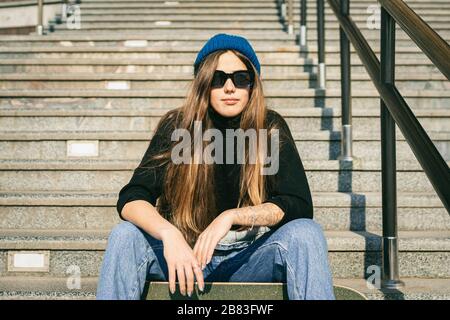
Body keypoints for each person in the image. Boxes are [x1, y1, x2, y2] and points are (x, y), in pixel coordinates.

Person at [96, 33, 335, 300]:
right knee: (125, 235)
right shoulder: (178, 127)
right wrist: (168, 234)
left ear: (252, 86)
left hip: (249, 259)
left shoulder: (269, 128)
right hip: (184, 257)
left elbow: (298, 204)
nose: (230, 87)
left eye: (241, 78)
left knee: (306, 233)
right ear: (204, 84)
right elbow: (131, 198)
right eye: (218, 79)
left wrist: (232, 216)